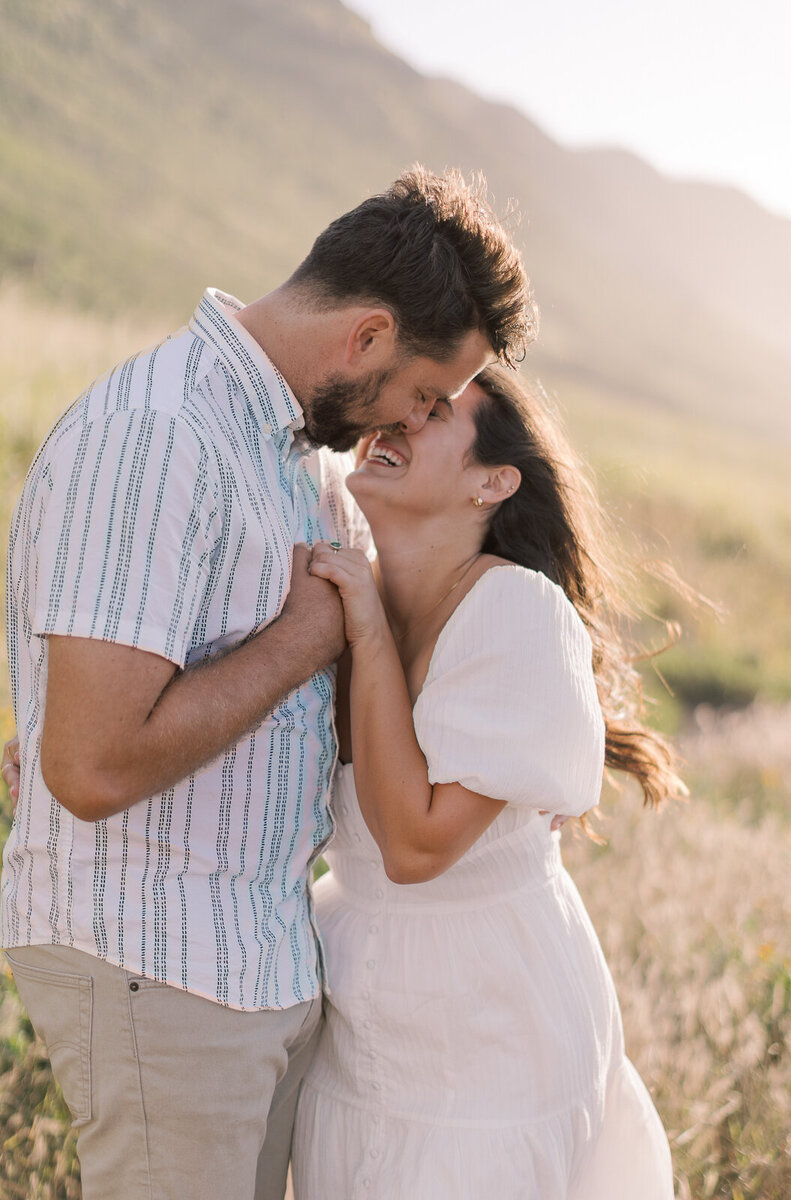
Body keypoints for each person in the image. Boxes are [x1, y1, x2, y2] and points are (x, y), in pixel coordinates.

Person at [0, 166, 532, 1200]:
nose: (409, 424)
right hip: (153, 959)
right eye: (422, 395)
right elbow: (90, 766)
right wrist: (305, 637)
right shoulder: (158, 437)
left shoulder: (305, 462)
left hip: (258, 963)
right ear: (366, 337)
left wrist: (500, 774)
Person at [290, 365, 682, 1199]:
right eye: (401, 402)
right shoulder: (346, 579)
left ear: (492, 482)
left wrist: (363, 626)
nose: (396, 419)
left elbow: (417, 843)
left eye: (433, 412)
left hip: (491, 1013)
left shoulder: (515, 612)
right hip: (359, 1006)